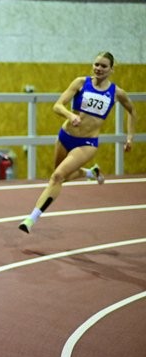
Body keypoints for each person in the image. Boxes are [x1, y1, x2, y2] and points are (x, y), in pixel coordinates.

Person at [19, 52, 136, 233]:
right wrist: (70, 114)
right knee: (59, 177)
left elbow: (132, 111)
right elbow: (57, 105)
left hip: (87, 143)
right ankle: (91, 173)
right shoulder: (81, 83)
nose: (99, 68)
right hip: (65, 136)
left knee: (57, 177)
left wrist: (130, 137)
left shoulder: (116, 93)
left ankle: (31, 219)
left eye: (104, 66)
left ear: (111, 69)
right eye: (96, 64)